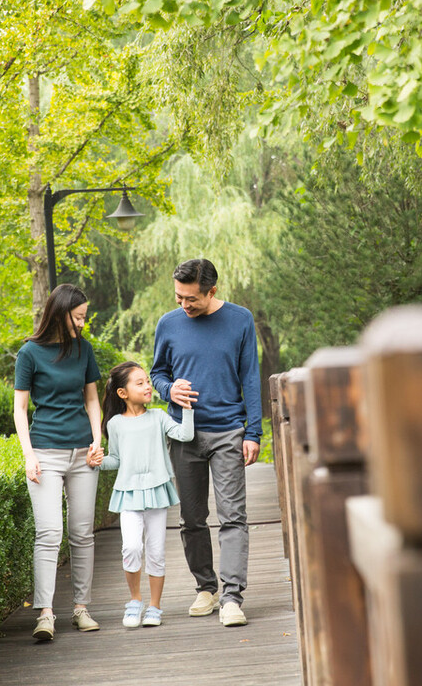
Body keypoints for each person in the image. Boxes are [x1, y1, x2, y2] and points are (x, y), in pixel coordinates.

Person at [150, 258, 261, 627]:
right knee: (192, 519)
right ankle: (206, 588)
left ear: (212, 291)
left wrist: (253, 432)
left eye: (191, 299)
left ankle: (232, 596)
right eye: (179, 297)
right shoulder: (168, 324)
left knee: (233, 517)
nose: (184, 304)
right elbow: (157, 372)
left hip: (228, 431)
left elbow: (251, 376)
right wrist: (169, 389)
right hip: (183, 434)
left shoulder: (240, 320)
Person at [13, 284, 107, 641]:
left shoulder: (84, 350)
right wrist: (29, 455)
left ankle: (81, 609)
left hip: (83, 454)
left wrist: (97, 440)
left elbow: (92, 401)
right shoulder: (29, 353)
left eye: (84, 317)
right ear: (59, 312)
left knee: (82, 533)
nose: (82, 323)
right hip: (46, 454)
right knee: (49, 532)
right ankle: (46, 614)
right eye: (78, 317)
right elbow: (20, 409)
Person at [99, 361, 196, 629]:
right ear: (122, 393)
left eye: (148, 382)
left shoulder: (159, 417)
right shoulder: (115, 424)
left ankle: (155, 606)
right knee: (131, 547)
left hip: (157, 492)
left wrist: (187, 408)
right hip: (128, 494)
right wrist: (97, 462)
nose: (147, 387)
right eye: (139, 383)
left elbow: (185, 435)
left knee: (156, 552)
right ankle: (135, 600)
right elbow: (116, 459)